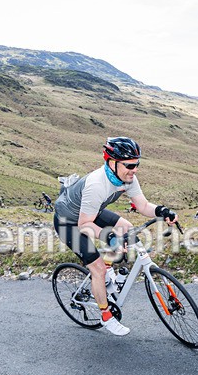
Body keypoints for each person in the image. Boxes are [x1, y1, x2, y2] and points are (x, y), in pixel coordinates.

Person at [53, 136, 178, 336]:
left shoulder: (128, 178)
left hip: (92, 212)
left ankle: (110, 268)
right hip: (69, 223)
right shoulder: (96, 184)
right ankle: (105, 315)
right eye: (129, 165)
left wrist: (163, 211)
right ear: (112, 162)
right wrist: (109, 237)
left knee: (126, 228)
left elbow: (143, 206)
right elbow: (84, 225)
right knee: (98, 269)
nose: (134, 169)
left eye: (137, 164)